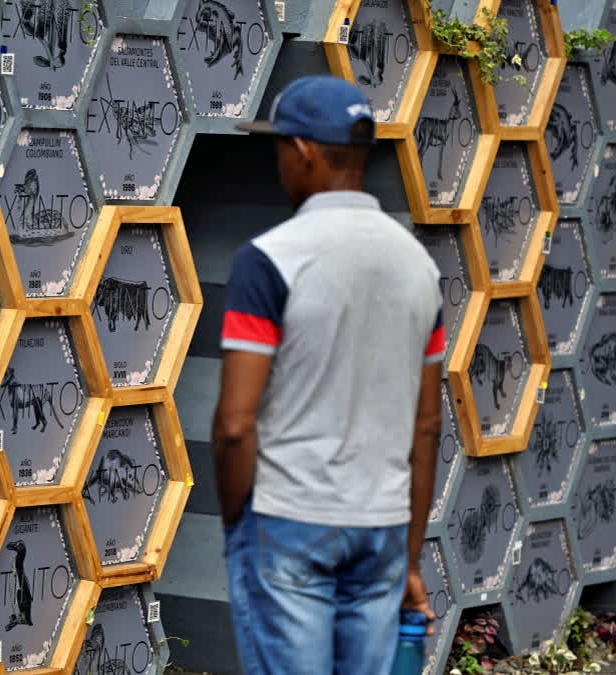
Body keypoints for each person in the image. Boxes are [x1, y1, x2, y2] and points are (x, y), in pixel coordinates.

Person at [212, 75, 444, 675]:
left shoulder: (268, 260)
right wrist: (411, 560)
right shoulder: (419, 267)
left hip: (289, 517)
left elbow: (236, 425)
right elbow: (426, 428)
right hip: (383, 527)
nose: (280, 166)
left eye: (279, 151)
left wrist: (240, 525)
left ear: (304, 152)